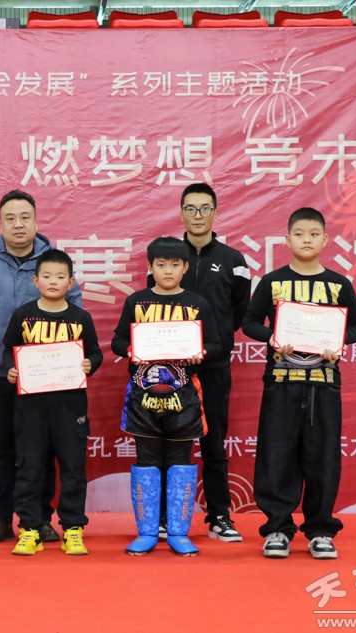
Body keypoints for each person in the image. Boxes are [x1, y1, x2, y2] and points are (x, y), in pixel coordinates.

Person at [0, 189, 82, 544]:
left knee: (44, 450)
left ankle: (41, 519)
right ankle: (0, 519)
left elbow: (75, 315)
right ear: (0, 224)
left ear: (36, 221)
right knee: (2, 448)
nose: (18, 224)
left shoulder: (54, 263)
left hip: (46, 377)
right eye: (10, 218)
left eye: (25, 217)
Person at [242, 207, 356, 560]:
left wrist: (339, 341)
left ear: (325, 240)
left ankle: (320, 530)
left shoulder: (338, 284)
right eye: (299, 234)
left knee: (322, 459)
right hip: (281, 382)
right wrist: (271, 337)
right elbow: (249, 321)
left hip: (323, 384)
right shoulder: (272, 282)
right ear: (287, 239)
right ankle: (278, 528)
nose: (306, 240)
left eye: (313, 234)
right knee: (276, 456)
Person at [112, 237, 222, 556]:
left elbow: (217, 344)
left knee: (180, 463)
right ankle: (147, 531)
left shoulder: (197, 303)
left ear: (185, 267)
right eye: (161, 265)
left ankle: (177, 532)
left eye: (175, 265)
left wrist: (200, 353)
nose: (168, 271)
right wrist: (131, 348)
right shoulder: (136, 302)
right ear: (150, 267)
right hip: (143, 397)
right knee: (146, 463)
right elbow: (118, 341)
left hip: (184, 397)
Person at [162, 183, 251, 543]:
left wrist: (212, 343)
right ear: (181, 213)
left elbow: (240, 312)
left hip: (213, 366)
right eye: (190, 208)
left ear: (215, 213)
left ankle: (219, 516)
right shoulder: (167, 256)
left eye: (204, 209)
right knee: (170, 443)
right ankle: (166, 517)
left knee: (214, 442)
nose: (197, 215)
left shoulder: (234, 260)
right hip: (170, 370)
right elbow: (155, 302)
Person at [2, 249, 103, 556]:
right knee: (30, 468)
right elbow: (8, 350)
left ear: (71, 283)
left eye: (60, 277)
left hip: (70, 406)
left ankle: (73, 529)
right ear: (35, 281)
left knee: (73, 467)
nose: (53, 282)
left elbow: (95, 352)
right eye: (46, 276)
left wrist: (90, 364)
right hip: (30, 407)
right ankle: (30, 529)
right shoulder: (23, 315)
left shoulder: (80, 318)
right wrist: (11, 369)